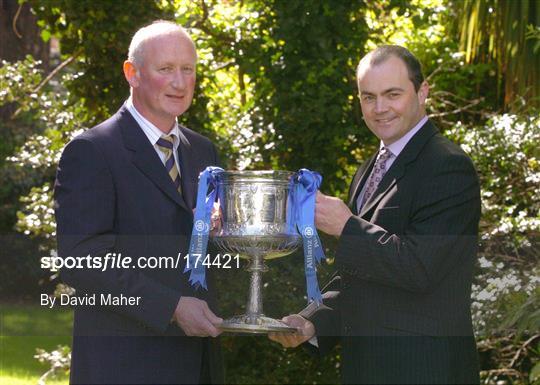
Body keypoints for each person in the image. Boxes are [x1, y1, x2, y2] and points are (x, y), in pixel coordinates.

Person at [269, 45, 481, 384]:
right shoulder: (369, 170)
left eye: (392, 94)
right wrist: (313, 322)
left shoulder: (447, 166)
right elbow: (360, 275)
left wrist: (347, 227)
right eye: (368, 97)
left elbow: (420, 268)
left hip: (424, 371)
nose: (380, 108)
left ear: (422, 92)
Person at [54, 20, 224, 384]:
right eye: (166, 69)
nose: (180, 82)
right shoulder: (92, 151)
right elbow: (80, 261)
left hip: (196, 364)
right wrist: (172, 308)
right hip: (124, 365)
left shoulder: (203, 151)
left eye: (188, 69)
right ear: (132, 73)